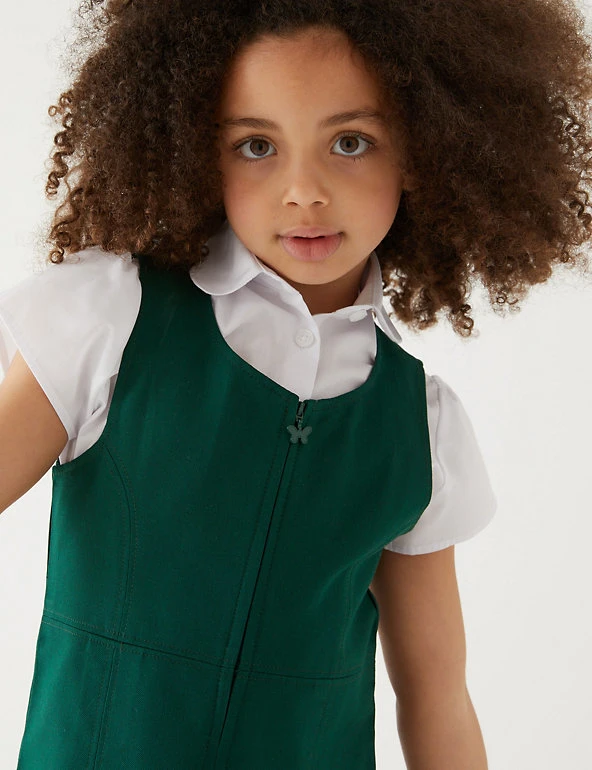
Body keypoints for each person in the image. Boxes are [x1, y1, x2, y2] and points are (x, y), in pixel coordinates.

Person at [1, 0, 591, 767]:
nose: (303, 191)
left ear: (422, 150)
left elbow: (436, 697)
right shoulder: (111, 320)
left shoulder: (420, 428)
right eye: (256, 146)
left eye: (350, 142)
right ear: (198, 150)